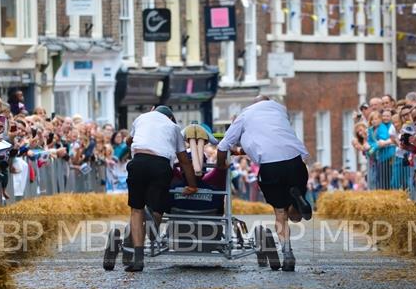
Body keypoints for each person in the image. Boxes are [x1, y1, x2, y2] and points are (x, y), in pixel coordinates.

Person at [216, 95, 311, 271]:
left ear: (254, 104)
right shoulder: (280, 110)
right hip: (296, 162)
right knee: (296, 216)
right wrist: (241, 150)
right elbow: (272, 138)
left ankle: (288, 254)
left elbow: (222, 146)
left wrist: (221, 165)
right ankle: (298, 201)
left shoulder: (245, 115)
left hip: (271, 166)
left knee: (280, 214)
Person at [123, 105, 198, 272]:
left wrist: (131, 143)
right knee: (157, 207)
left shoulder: (142, 118)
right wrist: (192, 185)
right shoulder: (173, 127)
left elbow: (128, 141)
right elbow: (184, 160)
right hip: (161, 164)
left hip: (138, 161)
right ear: (171, 118)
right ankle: (152, 225)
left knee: (136, 210)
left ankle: (138, 259)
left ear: (152, 110)